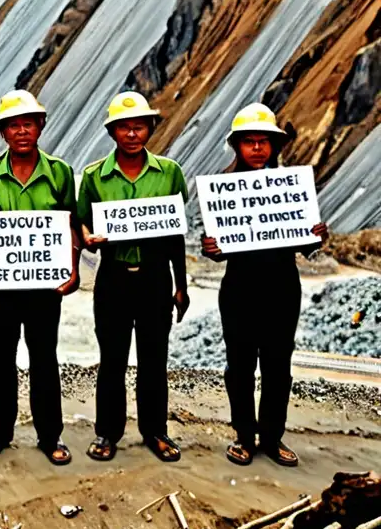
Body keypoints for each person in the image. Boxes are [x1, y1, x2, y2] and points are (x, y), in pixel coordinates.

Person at [201, 104, 328, 468]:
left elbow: (306, 243)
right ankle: (244, 436)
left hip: (282, 288)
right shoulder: (223, 190)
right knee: (239, 366)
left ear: (274, 146)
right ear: (237, 146)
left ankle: (272, 437)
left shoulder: (290, 187)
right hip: (239, 289)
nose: (257, 149)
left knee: (277, 367)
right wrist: (211, 249)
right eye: (249, 142)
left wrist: (318, 234)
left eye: (263, 142)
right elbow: (217, 250)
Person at [77, 91, 190, 464]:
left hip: (156, 276)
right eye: (123, 127)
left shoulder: (169, 172)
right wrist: (86, 238)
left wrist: (181, 285)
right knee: (111, 359)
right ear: (112, 132)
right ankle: (107, 433)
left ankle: (155, 431)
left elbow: (175, 233)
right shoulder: (94, 177)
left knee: (155, 359)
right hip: (112, 277)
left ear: (150, 129)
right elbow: (81, 224)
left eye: (138, 126)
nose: (131, 133)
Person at [0, 91, 80, 465]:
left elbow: (70, 227)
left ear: (41, 126)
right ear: (3, 132)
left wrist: (74, 268)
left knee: (44, 358)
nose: (21, 131)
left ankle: (51, 437)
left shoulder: (61, 172)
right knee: (0, 358)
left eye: (27, 123)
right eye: (13, 125)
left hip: (44, 288)